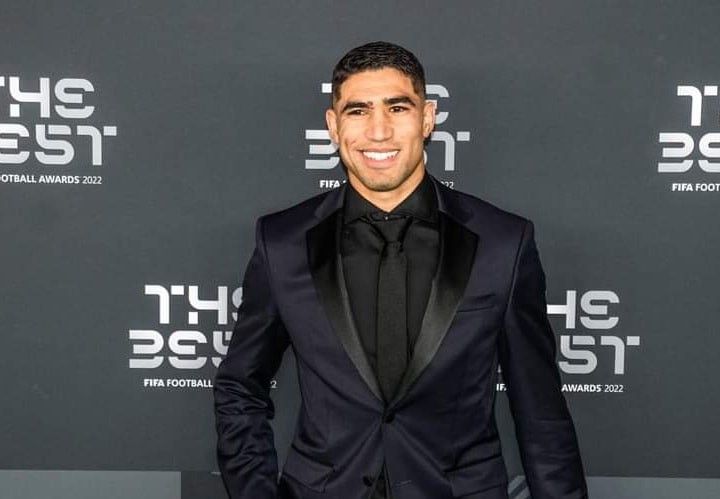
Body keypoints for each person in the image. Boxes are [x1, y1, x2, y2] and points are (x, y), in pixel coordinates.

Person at [214, 41, 587, 499]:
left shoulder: (503, 243)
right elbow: (240, 387)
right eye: (357, 111)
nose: (379, 131)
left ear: (427, 118)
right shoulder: (282, 242)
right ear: (333, 125)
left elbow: (540, 412)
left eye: (397, 108)